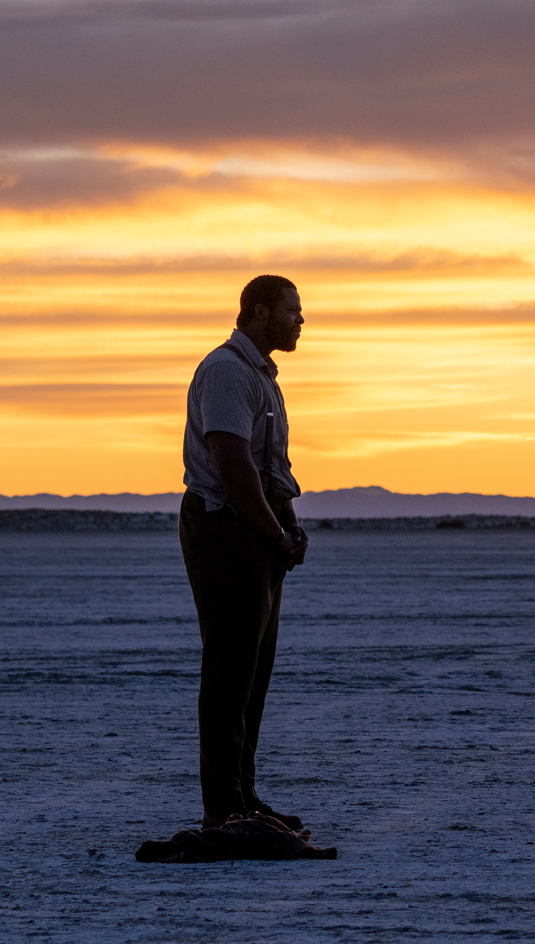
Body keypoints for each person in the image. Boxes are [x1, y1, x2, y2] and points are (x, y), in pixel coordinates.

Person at [179, 274, 310, 829]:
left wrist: (289, 525)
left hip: (254, 532)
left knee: (253, 673)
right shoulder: (228, 372)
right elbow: (233, 468)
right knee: (231, 670)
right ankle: (223, 807)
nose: (301, 320)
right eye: (291, 309)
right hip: (225, 530)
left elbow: (267, 469)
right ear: (259, 312)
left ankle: (243, 796)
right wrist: (274, 534)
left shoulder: (262, 375)